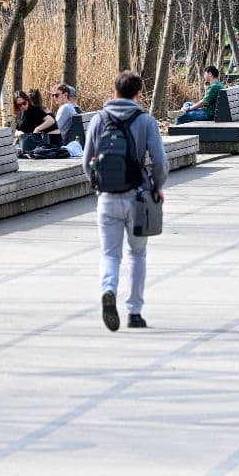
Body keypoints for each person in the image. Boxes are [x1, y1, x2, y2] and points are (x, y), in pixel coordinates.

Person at [83, 70, 169, 331]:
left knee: (109, 253)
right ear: (138, 94)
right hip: (137, 197)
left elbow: (87, 161)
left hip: (107, 197)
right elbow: (160, 162)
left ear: (115, 91)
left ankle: (108, 288)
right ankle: (134, 312)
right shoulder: (145, 120)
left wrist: (98, 185)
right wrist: (157, 186)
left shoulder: (100, 118)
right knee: (137, 253)